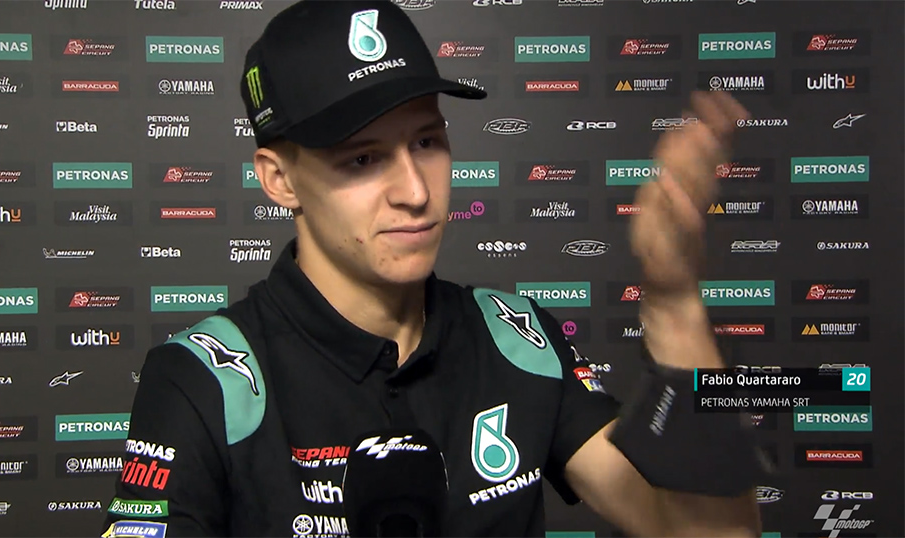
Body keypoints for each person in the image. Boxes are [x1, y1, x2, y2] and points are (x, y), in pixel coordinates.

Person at [101, 1, 766, 537]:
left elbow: (706, 532)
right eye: (363, 159)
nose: (416, 192)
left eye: (427, 140)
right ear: (280, 180)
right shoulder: (202, 381)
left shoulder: (518, 339)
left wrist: (675, 301)